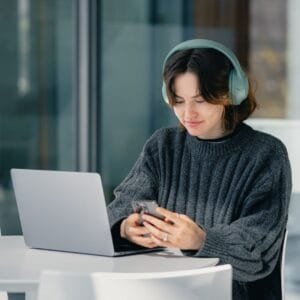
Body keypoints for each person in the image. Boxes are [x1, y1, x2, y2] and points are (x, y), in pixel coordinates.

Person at [107, 39, 292, 300]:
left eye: (201, 100)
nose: (187, 113)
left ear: (230, 93)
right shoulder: (163, 146)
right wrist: (125, 228)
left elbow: (257, 250)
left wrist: (201, 240)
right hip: (161, 288)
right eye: (178, 101)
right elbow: (120, 206)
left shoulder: (266, 154)